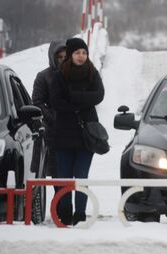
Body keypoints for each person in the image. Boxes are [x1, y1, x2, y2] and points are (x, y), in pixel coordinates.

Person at [50, 37, 105, 226]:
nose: (81, 56)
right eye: (77, 53)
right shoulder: (59, 75)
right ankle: (65, 215)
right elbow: (56, 102)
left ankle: (80, 215)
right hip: (64, 133)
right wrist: (83, 103)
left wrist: (73, 97)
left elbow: (98, 95)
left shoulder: (92, 72)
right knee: (64, 176)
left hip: (86, 134)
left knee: (81, 175)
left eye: (84, 53)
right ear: (70, 55)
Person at [31, 40, 66, 181]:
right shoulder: (43, 76)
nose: (63, 60)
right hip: (52, 133)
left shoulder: (74, 76)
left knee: (73, 178)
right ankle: (59, 203)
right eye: (60, 57)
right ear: (53, 57)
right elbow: (37, 102)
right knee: (57, 177)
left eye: (66, 57)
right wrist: (53, 117)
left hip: (73, 133)